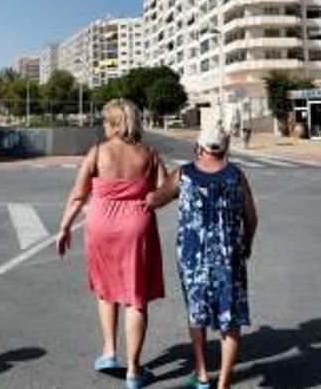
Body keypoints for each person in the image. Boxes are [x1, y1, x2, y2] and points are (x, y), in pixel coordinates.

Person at [56, 99, 168, 389]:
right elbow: (166, 191)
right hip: (136, 225)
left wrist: (64, 227)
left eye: (106, 121)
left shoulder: (97, 153)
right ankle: (133, 371)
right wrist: (147, 200)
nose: (103, 126)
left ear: (117, 123)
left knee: (106, 290)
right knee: (136, 297)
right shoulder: (149, 154)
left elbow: (78, 195)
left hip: (100, 223)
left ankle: (108, 352)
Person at [148, 128, 258, 389]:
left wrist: (152, 186)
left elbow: (155, 200)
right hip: (228, 256)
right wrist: (247, 244)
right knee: (229, 318)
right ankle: (224, 383)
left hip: (193, 257)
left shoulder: (184, 174)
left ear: (199, 146)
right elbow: (251, 218)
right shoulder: (236, 176)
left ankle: (201, 373)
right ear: (225, 146)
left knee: (196, 313)